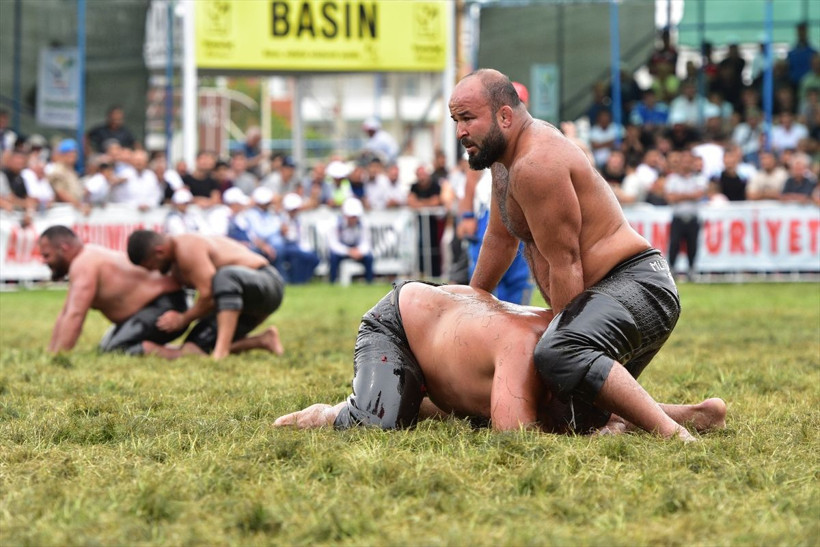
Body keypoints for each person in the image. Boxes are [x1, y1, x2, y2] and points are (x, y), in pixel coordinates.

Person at [448, 68, 687, 440]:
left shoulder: (536, 163)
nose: (460, 132)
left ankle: (673, 434)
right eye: (455, 121)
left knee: (557, 355)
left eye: (467, 119)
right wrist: (468, 309)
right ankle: (699, 415)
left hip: (639, 286)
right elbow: (499, 240)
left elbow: (567, 263)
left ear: (504, 116)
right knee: (560, 412)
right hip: (618, 292)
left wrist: (562, 345)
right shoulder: (504, 162)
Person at [274, 282, 726, 440]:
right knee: (383, 420)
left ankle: (664, 415)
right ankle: (329, 413)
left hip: (460, 332)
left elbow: (587, 384)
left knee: (568, 410)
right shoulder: (523, 349)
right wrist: (601, 430)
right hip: (401, 325)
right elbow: (515, 435)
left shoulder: (574, 339)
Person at [126, 230, 285, 360]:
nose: (156, 271)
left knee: (224, 277)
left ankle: (220, 352)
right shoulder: (175, 263)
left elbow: (208, 294)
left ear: (159, 252)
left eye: (152, 266)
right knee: (194, 346)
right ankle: (263, 340)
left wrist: (183, 319)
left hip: (267, 283)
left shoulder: (186, 247)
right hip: (240, 301)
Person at [38, 225, 188, 354]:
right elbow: (66, 313)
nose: (44, 261)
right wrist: (52, 351)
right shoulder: (85, 258)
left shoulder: (84, 263)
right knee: (105, 348)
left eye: (47, 255)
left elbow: (76, 314)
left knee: (117, 348)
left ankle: (184, 353)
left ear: (63, 249)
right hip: (151, 308)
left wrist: (60, 357)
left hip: (167, 306)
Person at [664, 150, 708, 279]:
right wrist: (690, 195)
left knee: (692, 245)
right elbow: (670, 197)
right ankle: (671, 269)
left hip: (693, 217)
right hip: (678, 217)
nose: (686, 164)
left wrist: (680, 195)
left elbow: (699, 195)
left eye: (689, 161)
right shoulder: (672, 179)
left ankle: (691, 270)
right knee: (674, 244)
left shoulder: (699, 178)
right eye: (684, 161)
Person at [326, 198, 374, 284]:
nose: (353, 219)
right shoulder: (335, 223)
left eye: (355, 217)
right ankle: (332, 281)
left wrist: (359, 251)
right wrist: (348, 251)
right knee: (333, 257)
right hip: (342, 250)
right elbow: (333, 244)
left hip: (357, 249)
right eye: (351, 217)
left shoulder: (363, 223)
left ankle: (369, 281)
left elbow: (366, 242)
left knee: (369, 257)